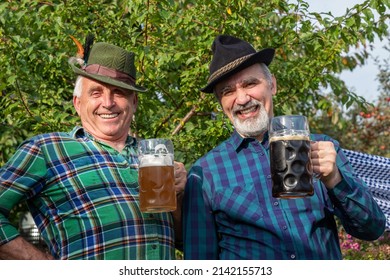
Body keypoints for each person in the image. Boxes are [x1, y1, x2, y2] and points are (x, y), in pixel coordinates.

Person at [182, 35, 386, 260]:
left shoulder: (319, 148)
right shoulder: (205, 173)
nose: (241, 99)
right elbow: (199, 261)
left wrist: (336, 180)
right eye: (227, 91)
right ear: (221, 104)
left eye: (250, 84)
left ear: (273, 85)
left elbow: (372, 229)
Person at [0, 41, 186, 260]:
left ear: (134, 102)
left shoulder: (153, 156)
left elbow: (183, 242)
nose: (108, 103)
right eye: (96, 92)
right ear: (78, 103)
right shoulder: (47, 149)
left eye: (118, 92)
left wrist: (178, 199)